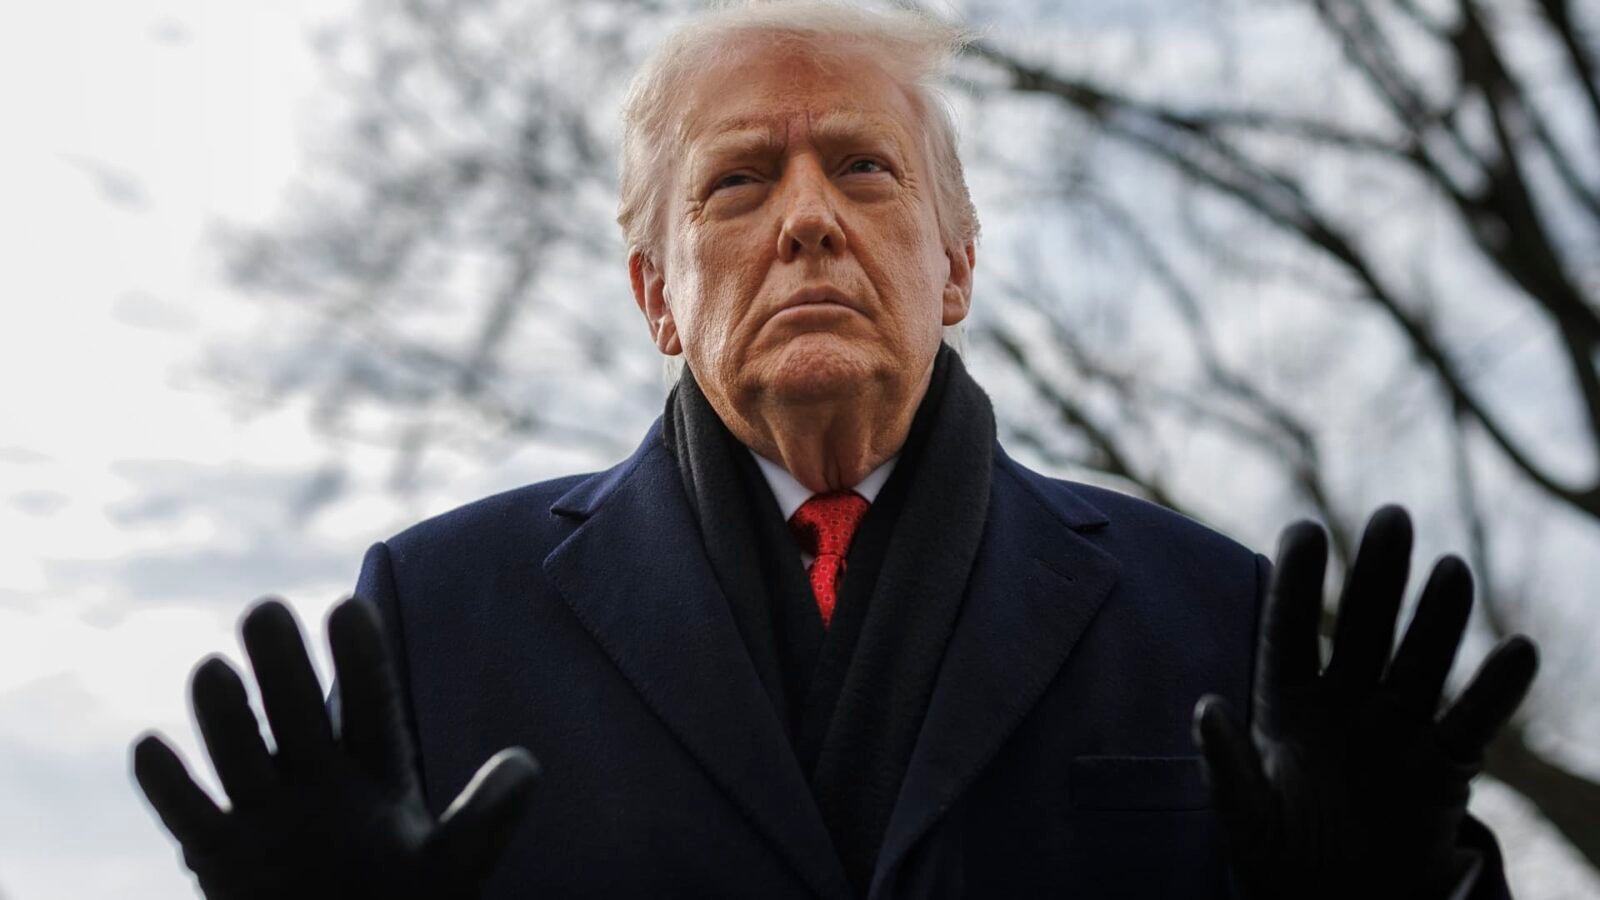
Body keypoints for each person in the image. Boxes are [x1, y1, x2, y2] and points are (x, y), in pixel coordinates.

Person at [130, 3, 1540, 898]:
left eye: (863, 167)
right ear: (656, 295)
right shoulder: (444, 618)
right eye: (739, 180)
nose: (808, 218)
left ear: (957, 264)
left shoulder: (1215, 614)